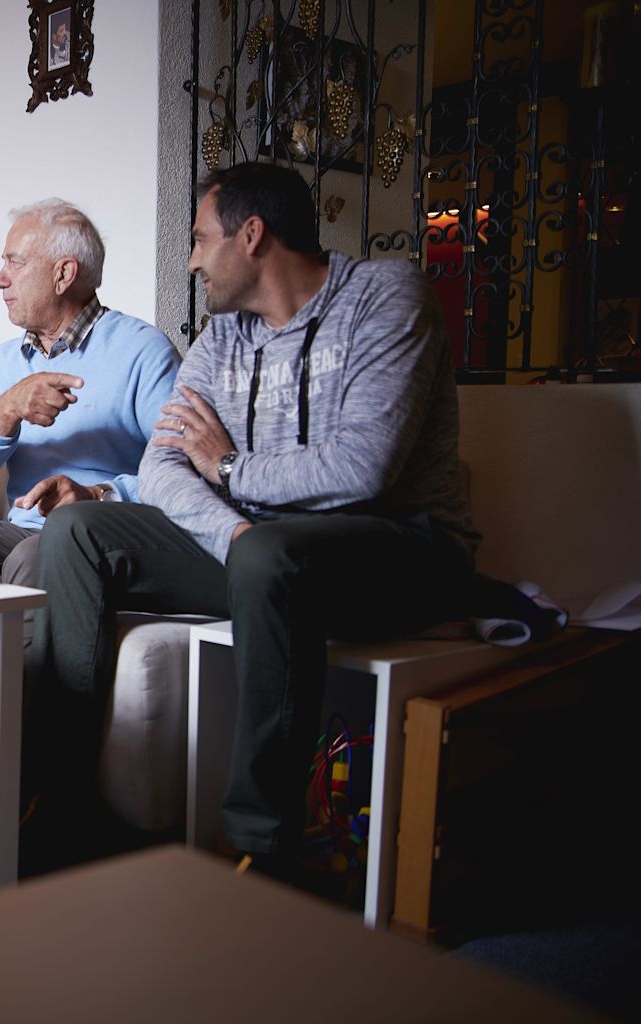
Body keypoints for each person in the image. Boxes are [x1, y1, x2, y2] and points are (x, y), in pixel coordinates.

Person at [25, 163, 478, 872]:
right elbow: (162, 467)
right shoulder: (223, 337)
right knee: (78, 530)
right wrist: (232, 529)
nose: (192, 260)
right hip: (258, 548)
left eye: (201, 239)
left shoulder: (387, 298)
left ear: (253, 236)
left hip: (403, 548)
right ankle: (63, 807)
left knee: (271, 556)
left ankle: (259, 846)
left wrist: (232, 470)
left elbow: (362, 469)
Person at [0, 199, 180, 793]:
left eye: (14, 262)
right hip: (20, 527)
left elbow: (181, 471)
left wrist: (100, 495)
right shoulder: (6, 360)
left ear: (63, 274)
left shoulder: (142, 351)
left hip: (95, 537)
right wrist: (7, 408)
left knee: (39, 555)